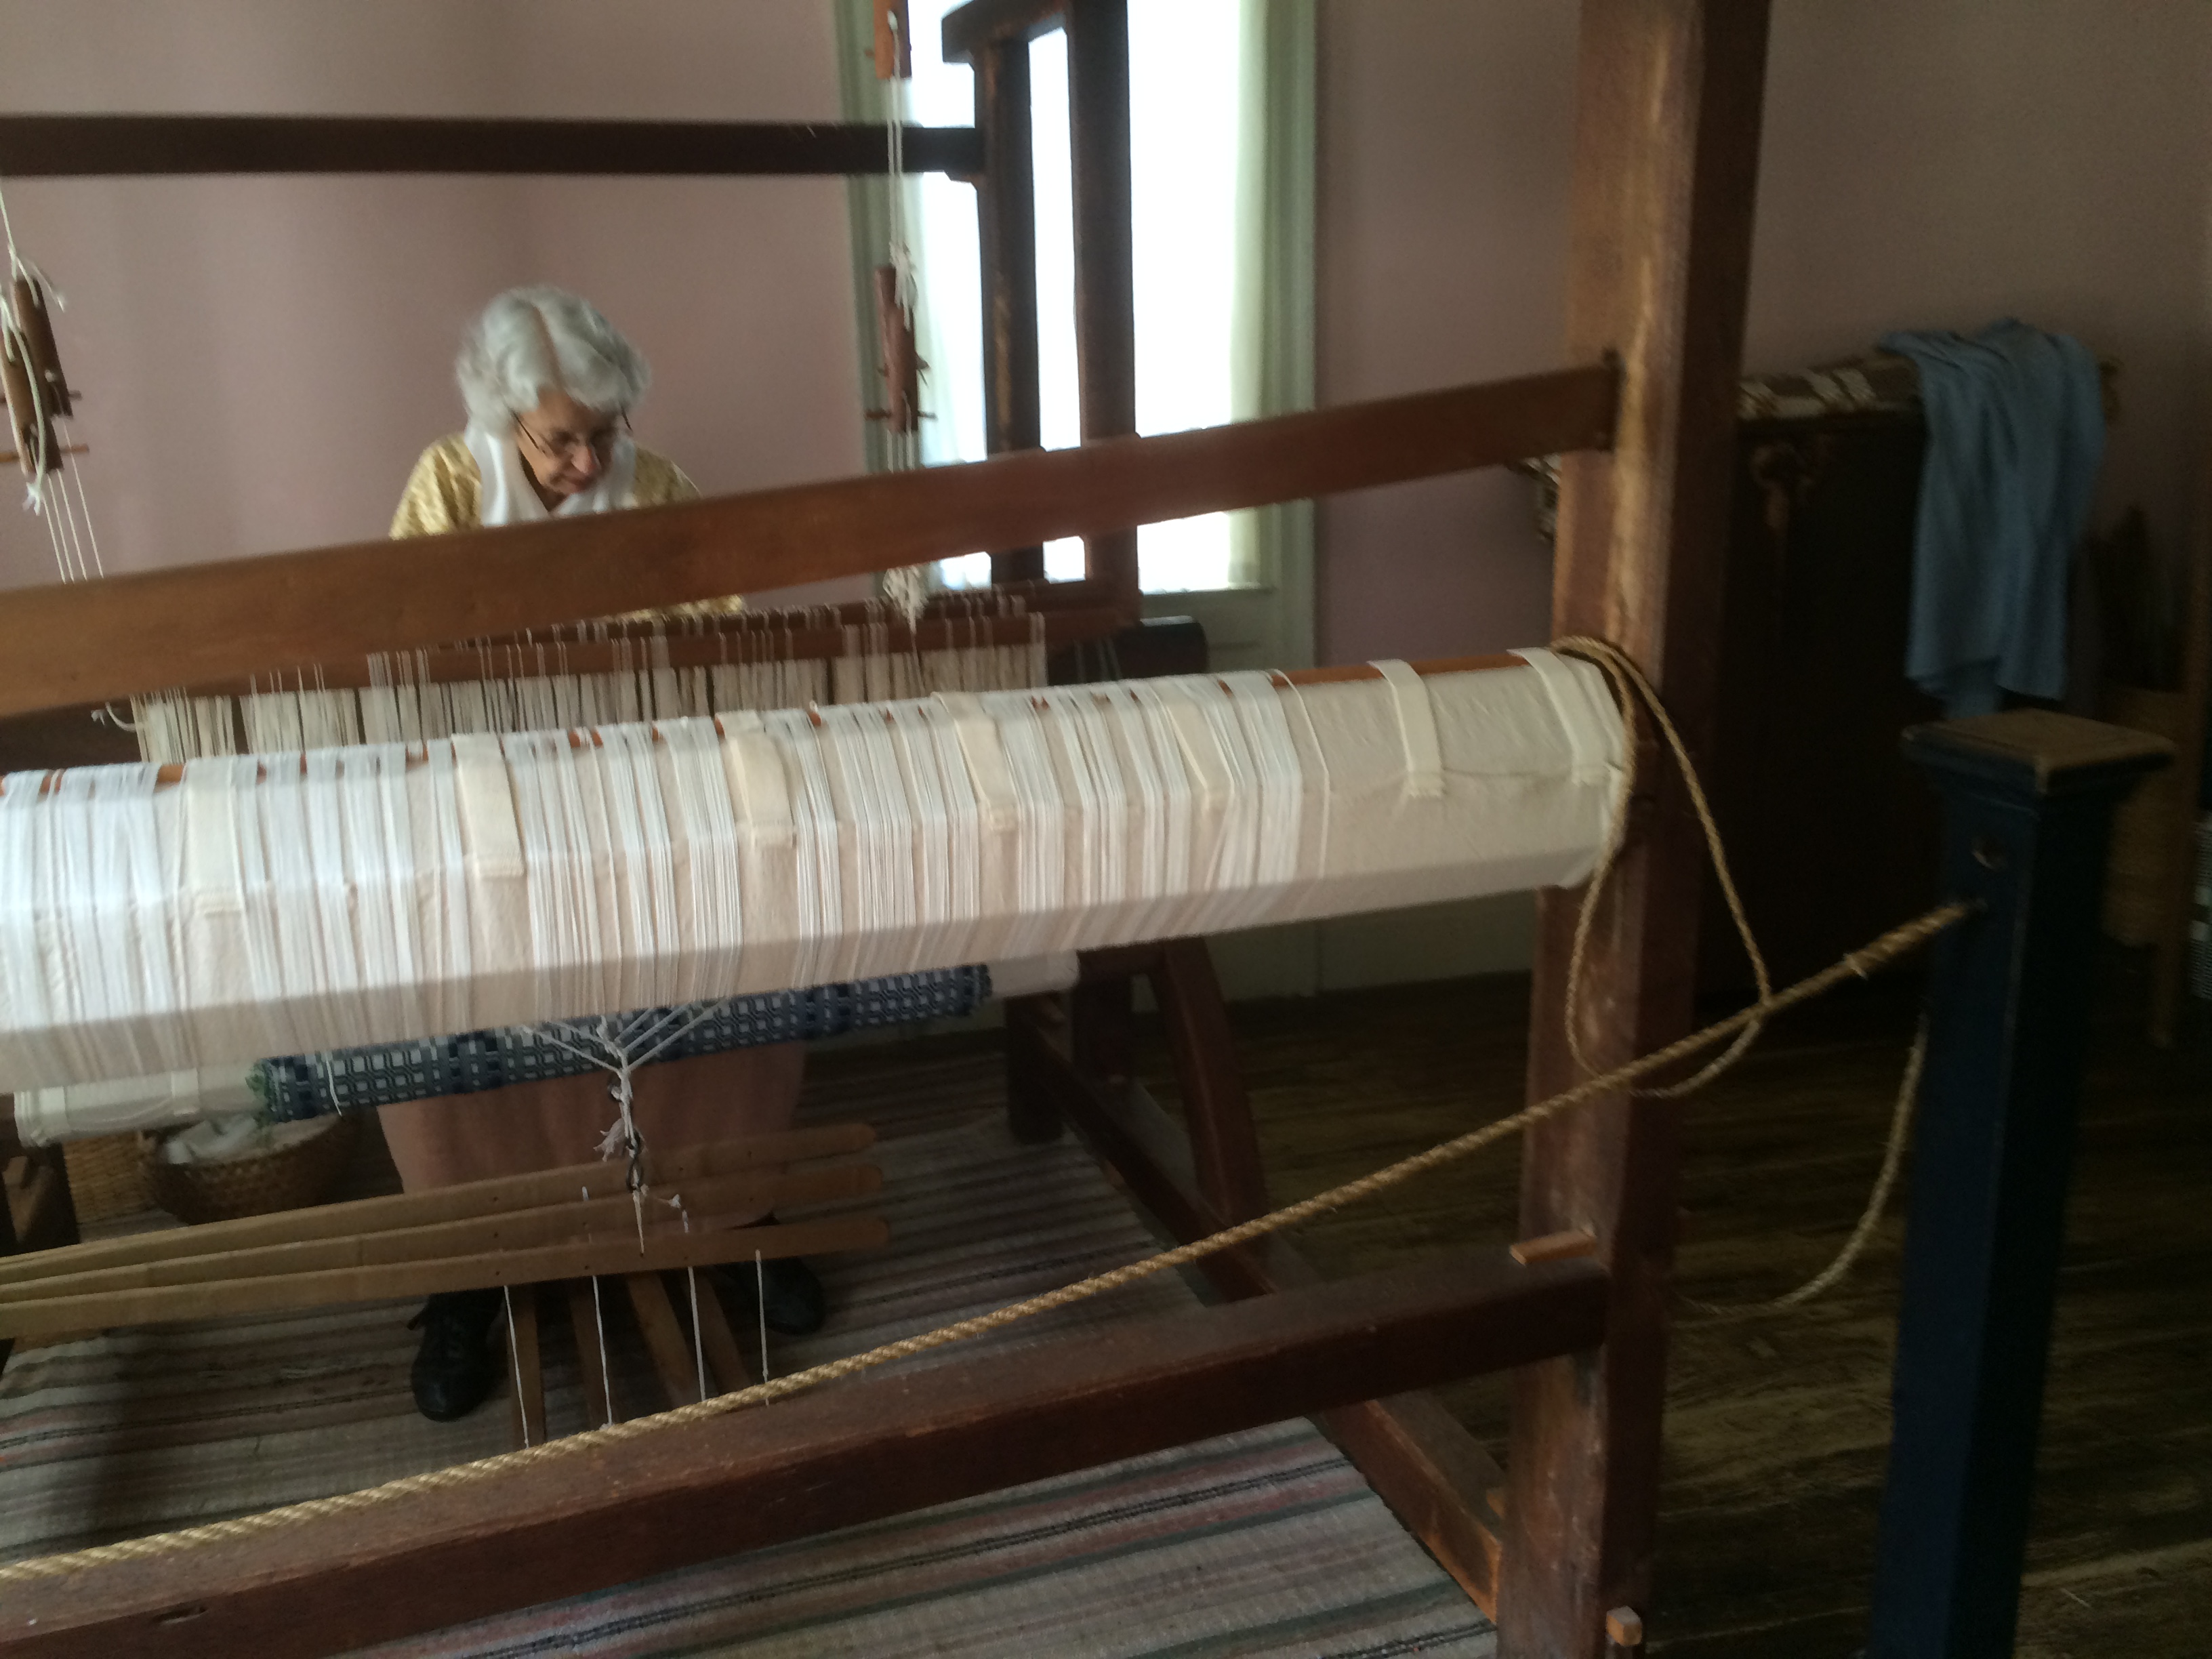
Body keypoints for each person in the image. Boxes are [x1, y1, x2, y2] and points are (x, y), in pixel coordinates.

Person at [386, 285, 822, 1422]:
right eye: (558, 441)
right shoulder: (449, 489)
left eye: (602, 433)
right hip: (486, 806)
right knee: (435, 991)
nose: (586, 462)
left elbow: (722, 652)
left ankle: (735, 1218)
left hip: (646, 800)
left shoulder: (659, 488)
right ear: (505, 425)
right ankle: (468, 1275)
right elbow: (398, 649)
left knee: (735, 959)